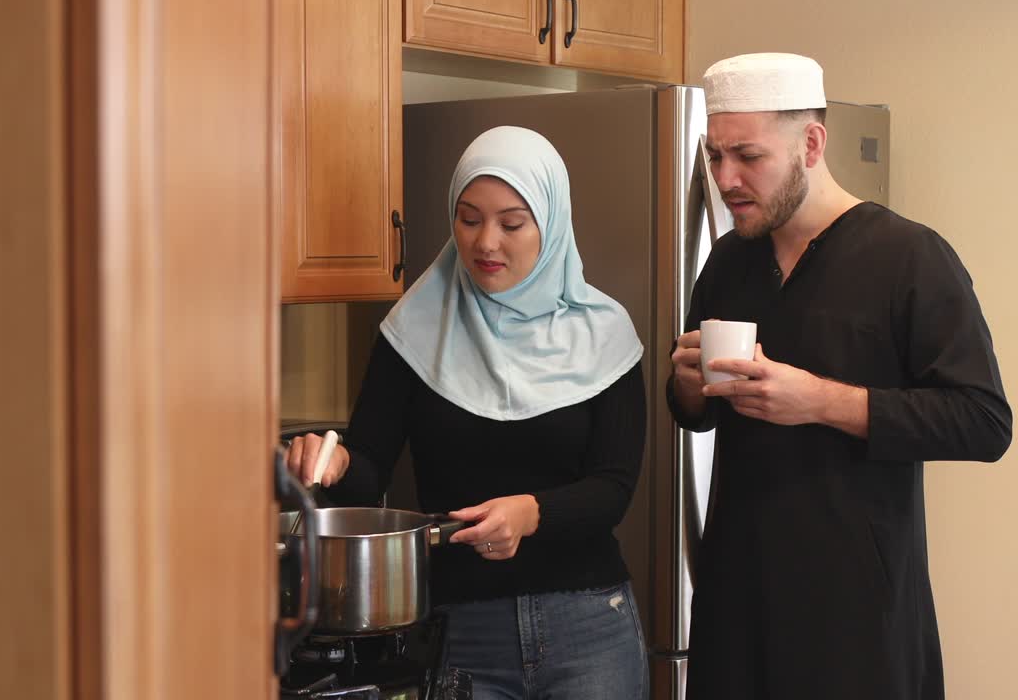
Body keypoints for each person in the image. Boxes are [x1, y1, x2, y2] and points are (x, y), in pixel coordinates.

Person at [667, 52, 1012, 700]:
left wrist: (821, 402)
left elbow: (984, 421)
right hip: (734, 601)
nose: (726, 178)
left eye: (748, 156)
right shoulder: (728, 261)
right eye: (714, 157)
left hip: (857, 613)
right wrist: (687, 385)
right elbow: (699, 411)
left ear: (812, 142)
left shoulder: (909, 256)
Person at [287, 126, 649, 700]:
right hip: (462, 632)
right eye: (468, 218)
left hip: (588, 626)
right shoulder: (413, 330)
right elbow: (371, 465)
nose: (485, 243)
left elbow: (614, 487)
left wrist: (532, 514)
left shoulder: (605, 334)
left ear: (551, 225)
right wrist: (330, 464)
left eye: (512, 223)